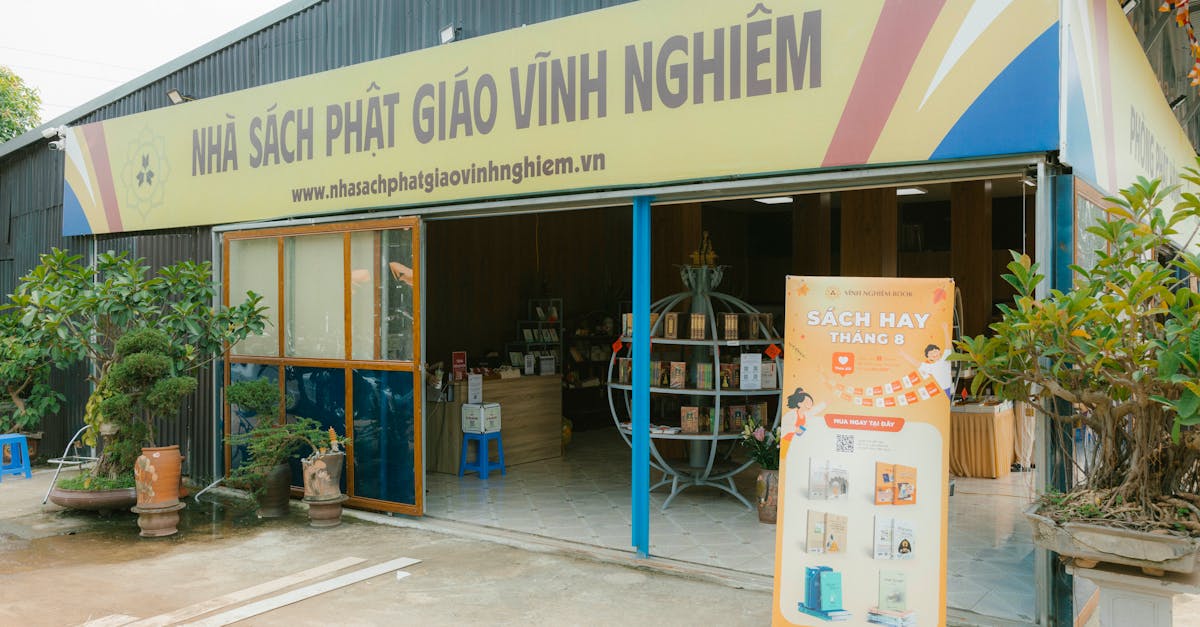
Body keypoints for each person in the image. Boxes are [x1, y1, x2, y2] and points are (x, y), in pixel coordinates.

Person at [905, 323, 953, 399]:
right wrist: (904, 355)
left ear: (940, 351)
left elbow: (948, 346)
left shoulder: (945, 359)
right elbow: (916, 363)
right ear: (928, 358)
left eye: (935, 351)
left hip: (948, 389)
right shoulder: (930, 367)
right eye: (930, 353)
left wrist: (945, 330)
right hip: (940, 391)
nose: (934, 353)